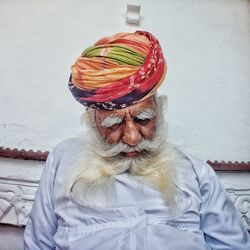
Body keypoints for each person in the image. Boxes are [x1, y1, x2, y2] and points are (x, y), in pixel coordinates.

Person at [24, 31, 250, 249]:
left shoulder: (196, 173)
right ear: (92, 121)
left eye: (144, 119)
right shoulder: (63, 161)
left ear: (159, 112)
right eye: (113, 124)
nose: (132, 138)